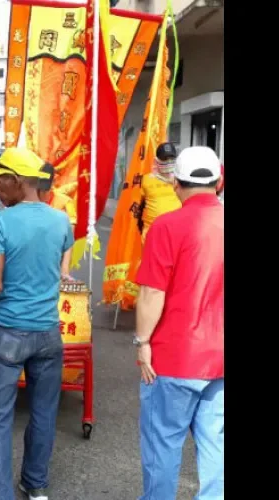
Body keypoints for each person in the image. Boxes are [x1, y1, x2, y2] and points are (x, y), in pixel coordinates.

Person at [0, 148, 73, 500]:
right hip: (48, 334)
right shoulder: (60, 221)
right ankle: (35, 485)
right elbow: (58, 265)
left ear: (19, 181)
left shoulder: (0, 223)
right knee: (43, 412)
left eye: (0, 180)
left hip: (8, 333)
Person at [134, 146, 224, 500]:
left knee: (163, 447)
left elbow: (151, 295)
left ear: (176, 183)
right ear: (218, 181)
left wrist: (142, 342)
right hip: (219, 357)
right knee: (215, 445)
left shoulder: (167, 225)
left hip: (173, 357)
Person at [138, 142, 181, 243]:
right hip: (152, 233)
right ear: (156, 160)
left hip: (175, 233)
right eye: (164, 159)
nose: (168, 162)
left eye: (171, 159)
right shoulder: (145, 180)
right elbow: (137, 203)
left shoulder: (181, 180)